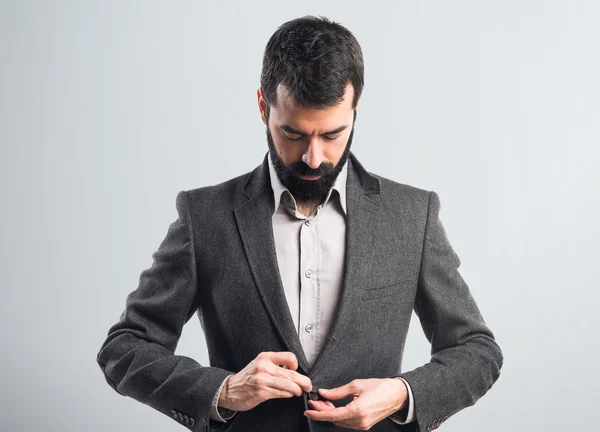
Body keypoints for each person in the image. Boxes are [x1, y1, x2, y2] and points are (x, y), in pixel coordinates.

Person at [96, 15, 503, 432]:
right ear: (262, 107)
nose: (313, 158)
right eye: (293, 134)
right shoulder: (205, 218)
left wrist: (402, 393)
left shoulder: (411, 216)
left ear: (355, 109)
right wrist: (223, 390)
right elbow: (124, 349)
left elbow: (477, 351)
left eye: (332, 135)